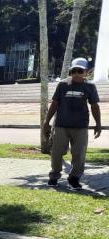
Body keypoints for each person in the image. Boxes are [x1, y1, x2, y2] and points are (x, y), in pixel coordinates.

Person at [44, 57, 102, 190]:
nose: (76, 73)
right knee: (56, 152)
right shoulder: (63, 85)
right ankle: (54, 176)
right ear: (70, 71)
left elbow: (94, 106)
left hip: (80, 126)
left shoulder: (90, 87)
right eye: (74, 71)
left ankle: (74, 178)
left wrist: (98, 123)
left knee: (79, 154)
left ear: (86, 72)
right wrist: (47, 121)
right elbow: (54, 104)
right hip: (61, 125)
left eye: (80, 71)